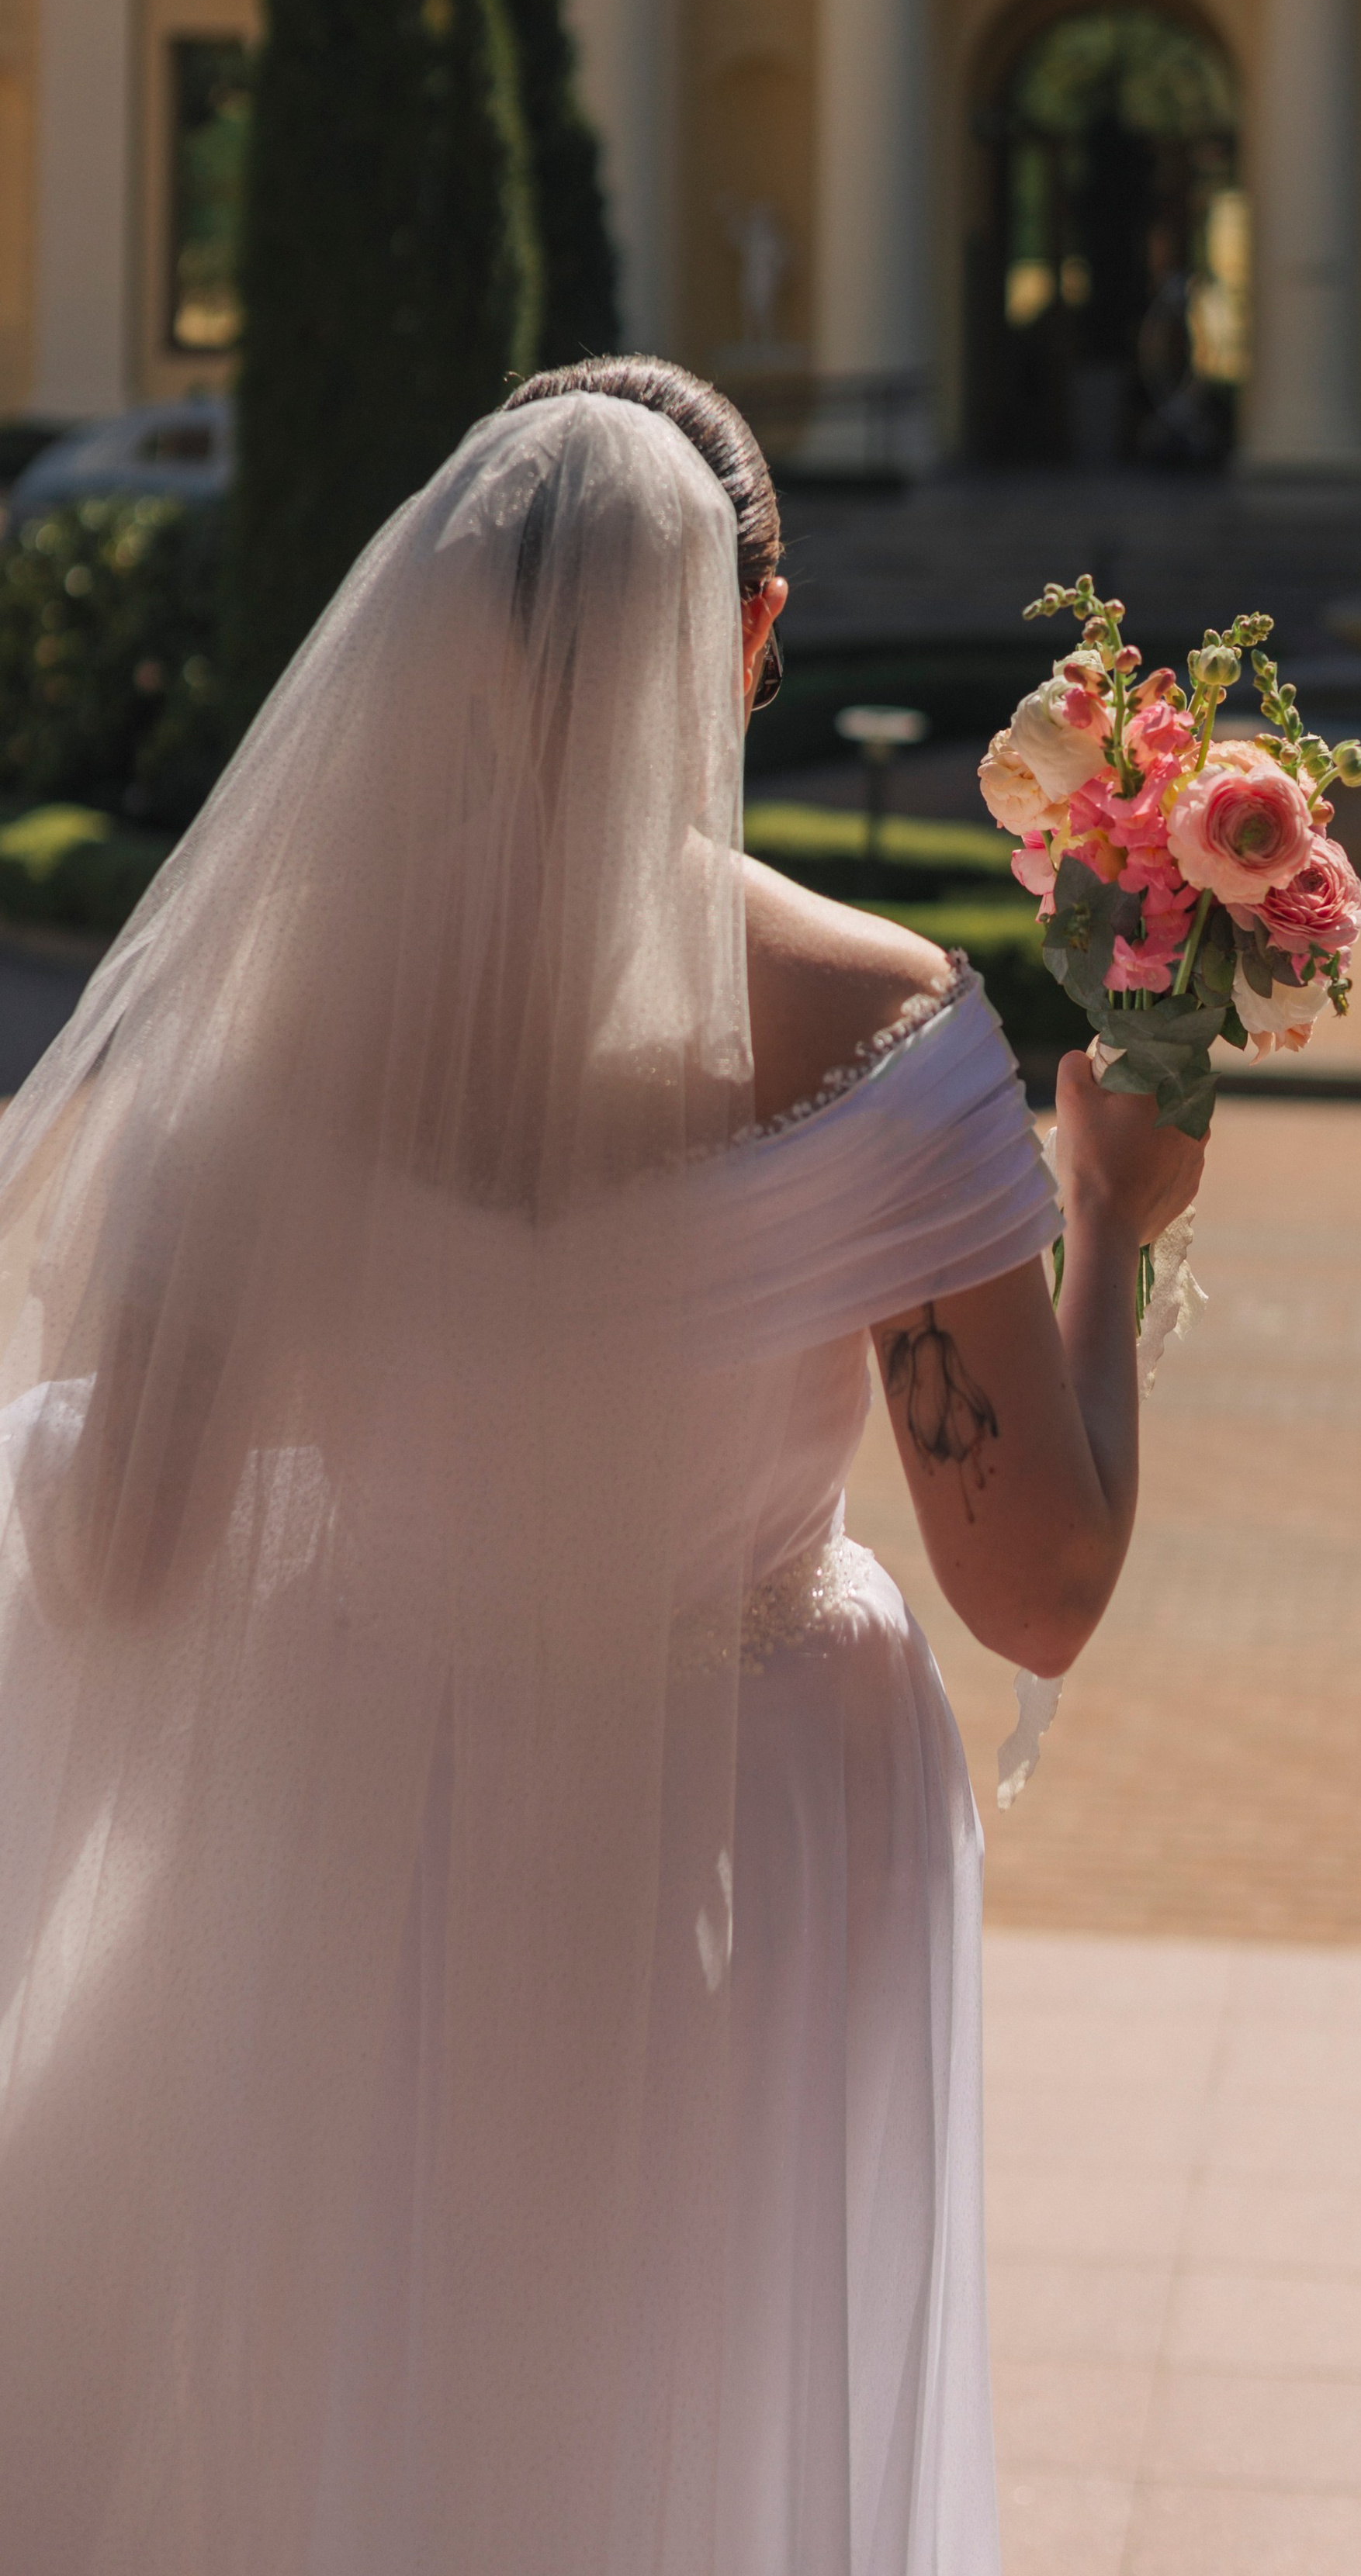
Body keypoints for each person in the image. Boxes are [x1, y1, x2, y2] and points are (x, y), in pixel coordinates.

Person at [0, 361, 1203, 2576]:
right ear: (755, 636)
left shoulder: (261, 1023)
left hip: (348, 1822)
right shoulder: (891, 1035)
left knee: (386, 2406)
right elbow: (1036, 1587)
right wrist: (1114, 1212)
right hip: (743, 1848)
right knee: (683, 2428)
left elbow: (115, 1544)